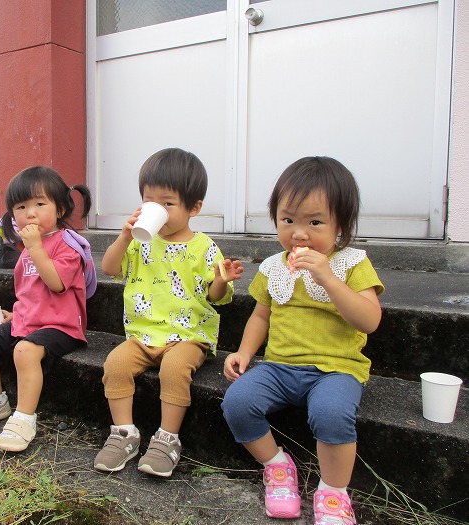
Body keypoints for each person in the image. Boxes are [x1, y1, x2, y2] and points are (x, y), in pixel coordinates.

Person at [221, 156, 384, 525]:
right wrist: (245, 353)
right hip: (278, 366)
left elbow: (370, 319)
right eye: (288, 220)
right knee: (237, 402)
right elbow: (261, 315)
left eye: (315, 222)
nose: (299, 233)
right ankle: (277, 467)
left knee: (330, 413)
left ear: (340, 224)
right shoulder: (274, 267)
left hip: (335, 370)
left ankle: (333, 492)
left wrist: (328, 277)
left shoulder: (351, 263)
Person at [93, 147, 244, 477]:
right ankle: (123, 433)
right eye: (149, 201)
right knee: (115, 364)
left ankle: (167, 438)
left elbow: (216, 297)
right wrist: (122, 237)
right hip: (142, 335)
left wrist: (220, 280)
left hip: (188, 336)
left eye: (167, 203)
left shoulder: (203, 246)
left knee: (175, 369)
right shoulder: (139, 240)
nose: (156, 210)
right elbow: (108, 268)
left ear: (194, 207)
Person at [0, 166, 93, 453]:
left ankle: (24, 417)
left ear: (60, 208)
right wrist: (16, 314)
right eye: (21, 206)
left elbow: (55, 284)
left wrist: (36, 248)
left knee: (24, 350)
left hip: (62, 326)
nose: (30, 213)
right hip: (29, 321)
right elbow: (29, 292)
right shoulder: (28, 246)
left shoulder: (68, 245)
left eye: (39, 204)